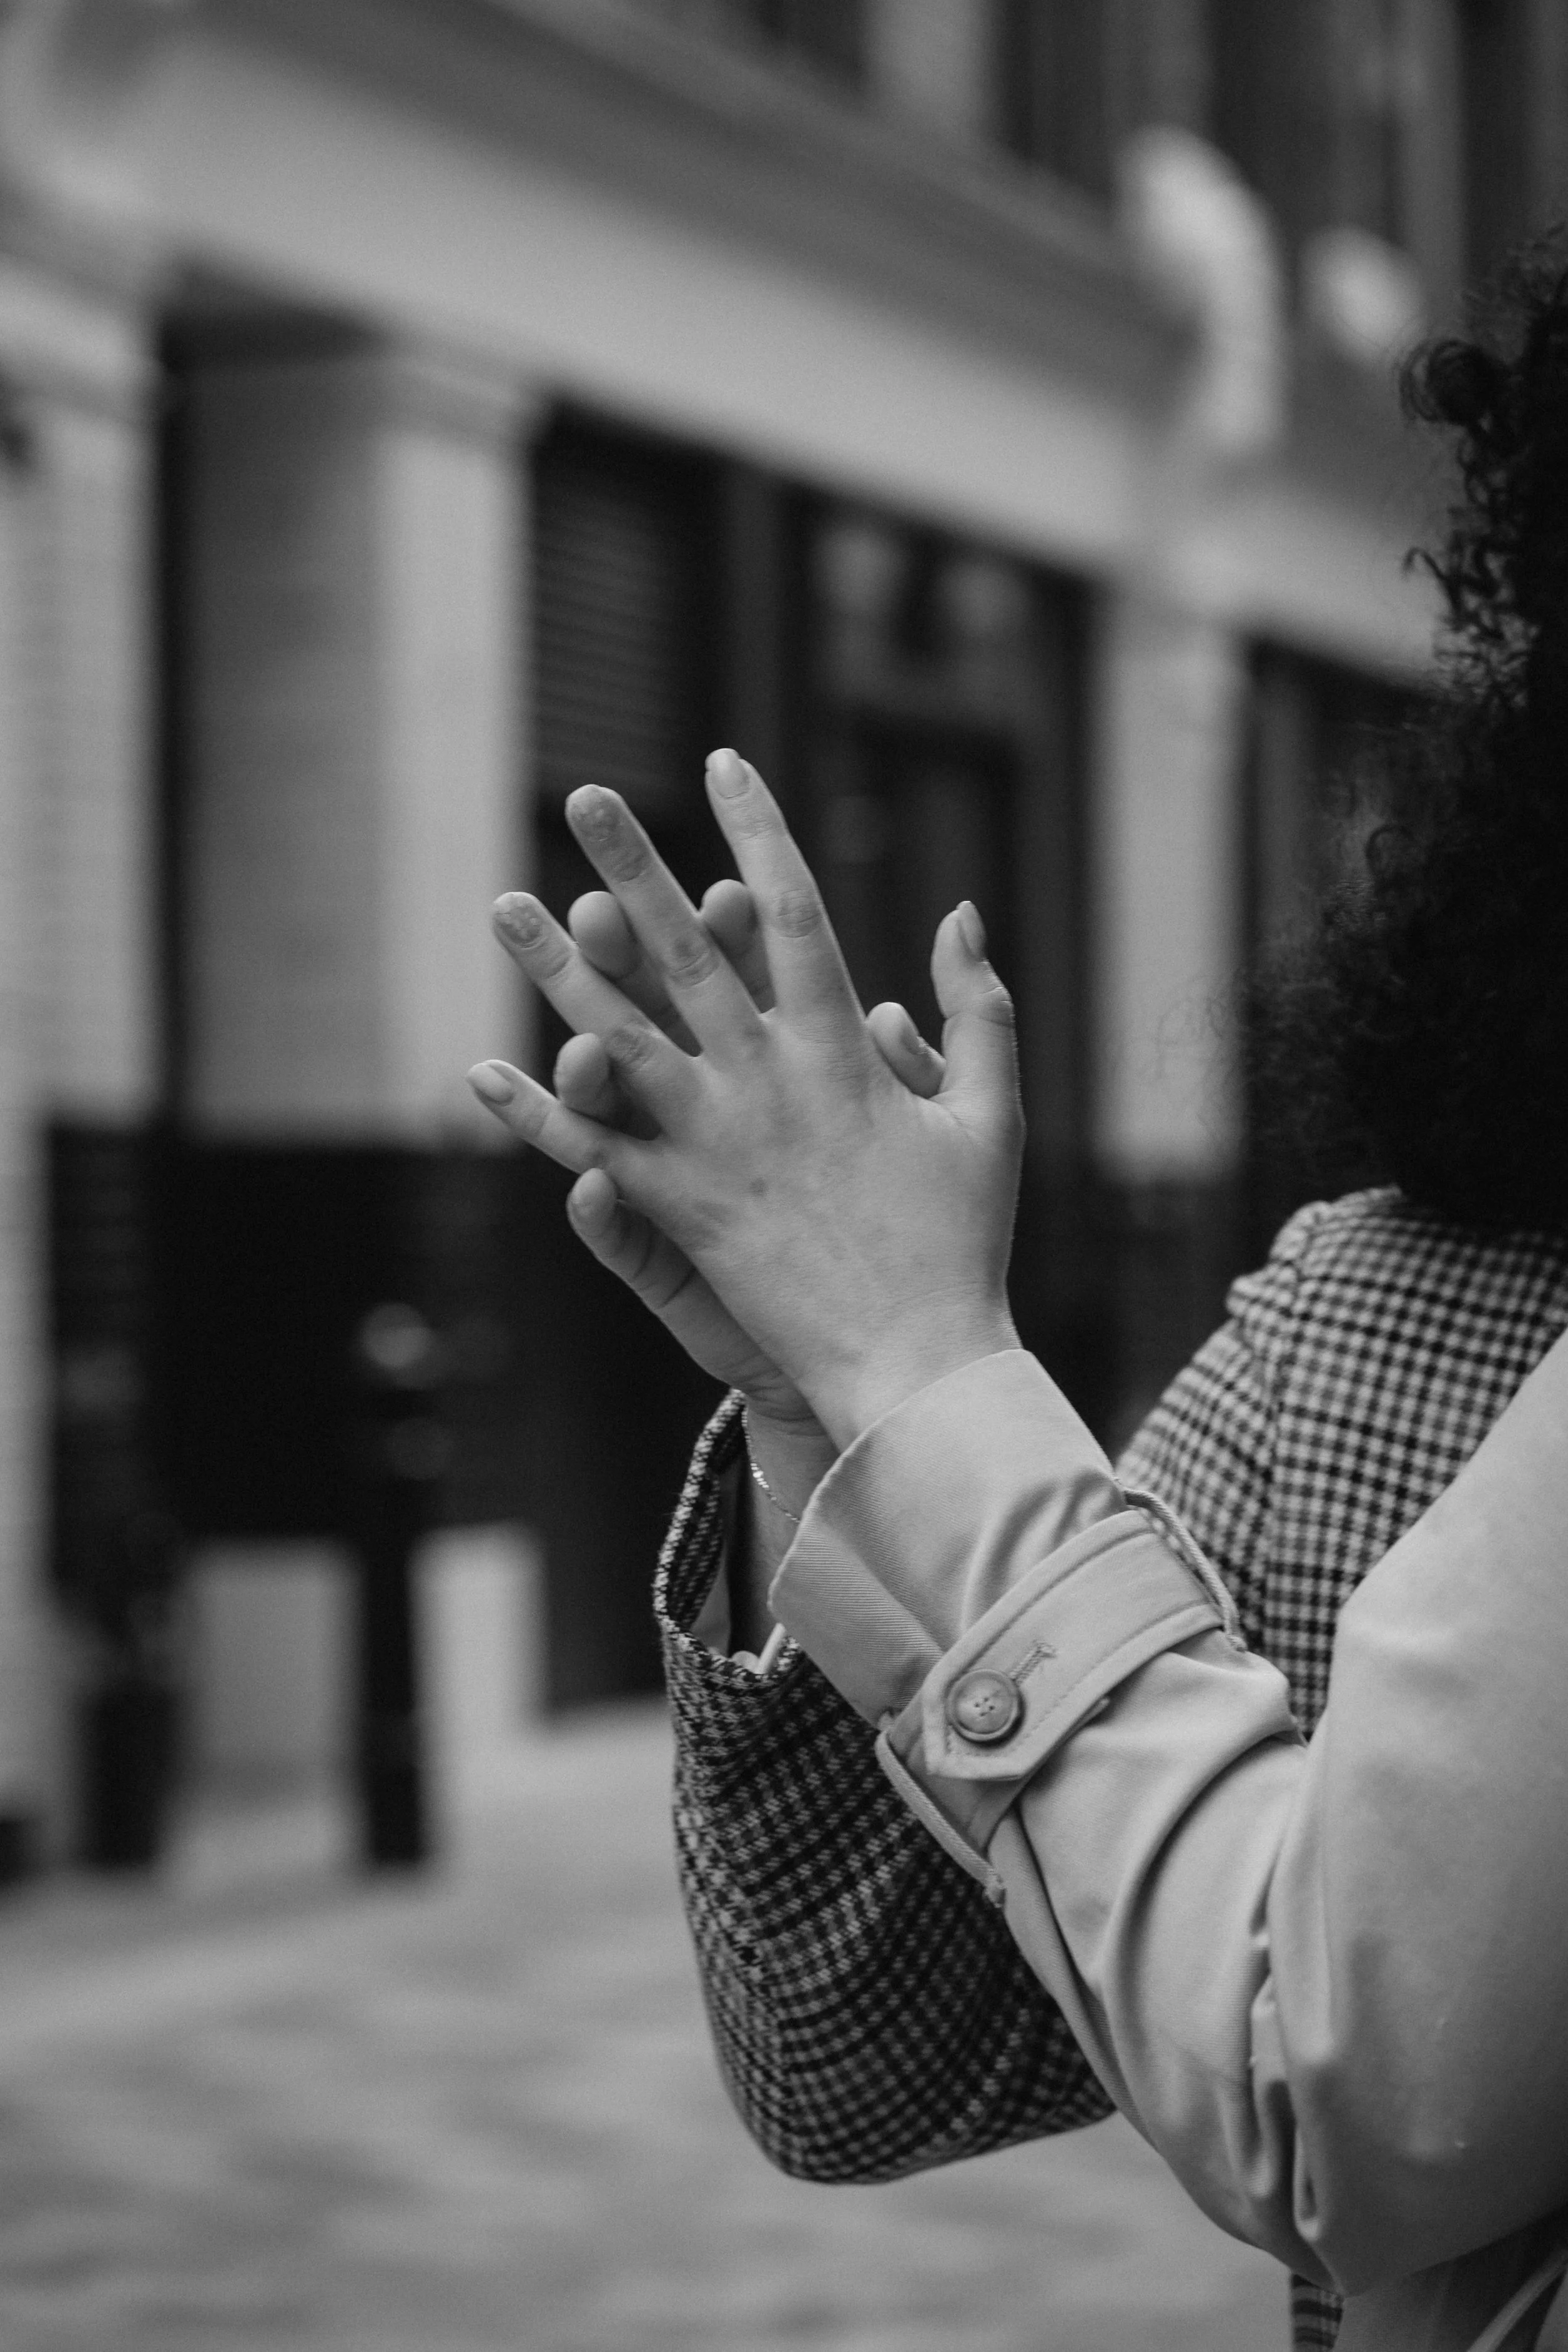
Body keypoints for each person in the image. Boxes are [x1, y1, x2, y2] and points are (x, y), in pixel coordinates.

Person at [466, 252, 1568, 2352]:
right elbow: (859, 2055)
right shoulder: (1369, 1324)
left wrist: (916, 1353)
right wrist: (830, 1402)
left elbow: (1322, 2080)